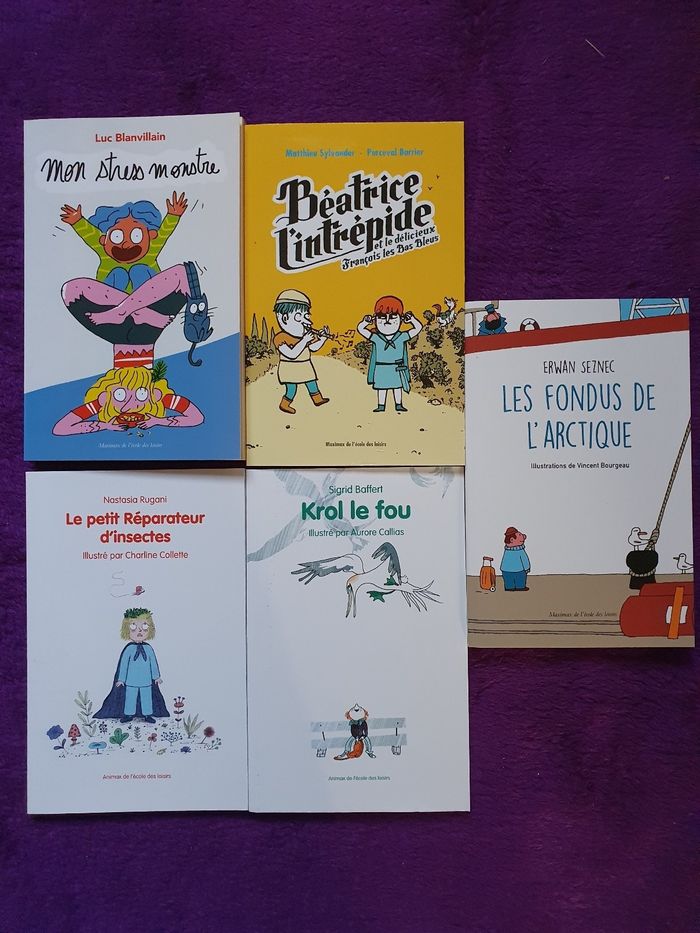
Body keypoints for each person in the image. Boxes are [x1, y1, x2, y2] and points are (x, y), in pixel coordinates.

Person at [52, 361, 203, 435]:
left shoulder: (161, 398)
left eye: (141, 393)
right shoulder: (101, 402)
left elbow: (197, 418)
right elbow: (60, 428)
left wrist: (159, 421)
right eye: (120, 394)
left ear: (155, 393)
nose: (131, 404)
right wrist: (104, 425)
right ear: (105, 395)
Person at [94, 609, 169, 724]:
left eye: (144, 626)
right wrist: (121, 679)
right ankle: (128, 714)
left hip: (146, 681)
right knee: (130, 698)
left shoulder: (149, 649)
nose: (139, 630)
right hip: (130, 681)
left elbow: (153, 663)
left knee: (146, 698)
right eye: (133, 626)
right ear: (126, 629)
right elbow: (123, 665)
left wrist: (156, 676)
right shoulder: (129, 649)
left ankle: (147, 714)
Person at [357, 295, 422, 413]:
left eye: (392, 317)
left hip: (397, 368)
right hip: (381, 368)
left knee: (397, 387)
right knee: (381, 388)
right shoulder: (376, 338)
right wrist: (365, 322)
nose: (387, 320)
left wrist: (412, 319)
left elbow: (418, 328)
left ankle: (398, 404)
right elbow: (361, 330)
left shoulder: (402, 337)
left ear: (400, 319)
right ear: (375, 320)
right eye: (382, 317)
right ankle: (381, 405)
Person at [272, 289, 329, 414]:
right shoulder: (281, 338)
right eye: (299, 316)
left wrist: (323, 338)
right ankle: (284, 404)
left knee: (312, 382)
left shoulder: (303, 335)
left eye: (306, 316)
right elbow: (291, 354)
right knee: (291, 388)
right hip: (289, 366)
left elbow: (313, 348)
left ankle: (317, 399)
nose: (307, 320)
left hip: (305, 364)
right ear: (284, 317)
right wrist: (304, 340)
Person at [500, 526, 531, 591]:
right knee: (520, 580)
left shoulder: (507, 550)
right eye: (519, 535)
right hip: (519, 570)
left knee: (509, 581)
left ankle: (509, 587)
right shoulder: (520, 550)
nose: (523, 536)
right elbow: (524, 559)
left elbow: (504, 561)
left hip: (506, 570)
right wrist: (527, 568)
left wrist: (503, 568)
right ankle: (520, 587)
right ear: (512, 540)